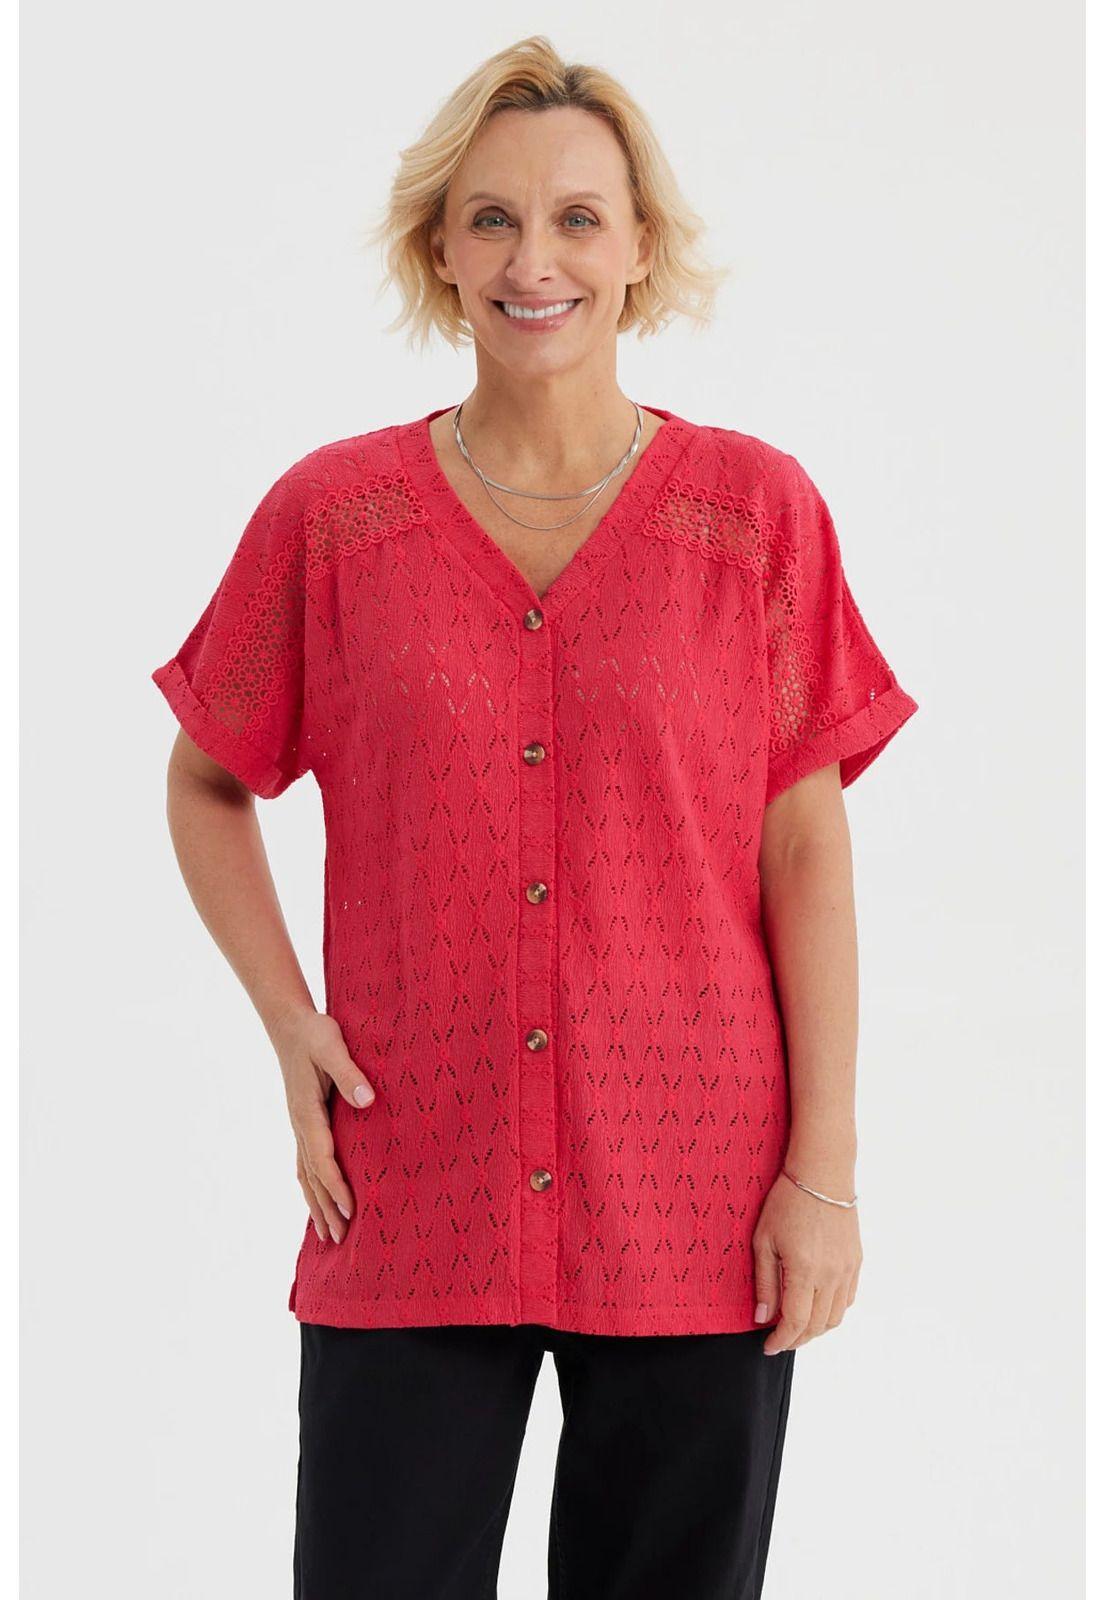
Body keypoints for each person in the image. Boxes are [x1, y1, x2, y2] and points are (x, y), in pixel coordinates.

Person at [150, 34, 919, 1600]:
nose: (533, 261)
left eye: (578, 218)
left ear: (639, 247)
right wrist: (290, 1023)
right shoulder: (333, 519)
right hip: (412, 1178)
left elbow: (805, 847)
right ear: (440, 249)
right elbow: (206, 776)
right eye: (491, 219)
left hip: (696, 1189)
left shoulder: (754, 515)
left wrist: (824, 1168)